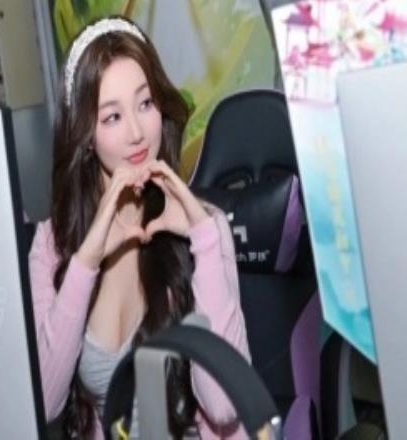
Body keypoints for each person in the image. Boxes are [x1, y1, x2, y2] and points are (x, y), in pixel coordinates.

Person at [29, 16, 251, 439]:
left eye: (145, 104)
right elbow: (46, 403)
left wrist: (204, 239)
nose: (136, 133)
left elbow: (224, 407)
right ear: (84, 135)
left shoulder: (205, 228)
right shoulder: (52, 245)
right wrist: (85, 262)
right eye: (112, 116)